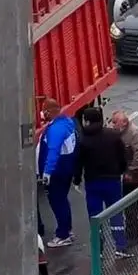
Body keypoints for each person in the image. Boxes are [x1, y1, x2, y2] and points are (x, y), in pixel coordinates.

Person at [73, 107, 132, 258]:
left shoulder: (83, 140)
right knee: (116, 214)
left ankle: (98, 250)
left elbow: (78, 162)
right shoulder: (113, 135)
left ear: (86, 121)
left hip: (93, 182)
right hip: (112, 181)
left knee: (95, 217)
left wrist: (77, 179)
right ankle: (120, 247)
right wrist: (122, 170)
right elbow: (123, 156)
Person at [109, 110, 138, 247]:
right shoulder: (121, 132)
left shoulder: (134, 133)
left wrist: (130, 172)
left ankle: (133, 236)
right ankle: (132, 234)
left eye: (114, 122)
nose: (112, 125)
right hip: (128, 173)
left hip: (136, 176)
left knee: (131, 207)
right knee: (129, 206)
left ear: (124, 122)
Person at [38, 98, 78, 247]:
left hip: (57, 173)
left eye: (44, 110)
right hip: (65, 170)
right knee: (62, 200)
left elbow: (53, 151)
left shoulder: (56, 129)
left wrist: (47, 173)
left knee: (57, 202)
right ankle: (67, 229)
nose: (42, 113)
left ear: (49, 112)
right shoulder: (67, 123)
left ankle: (63, 234)